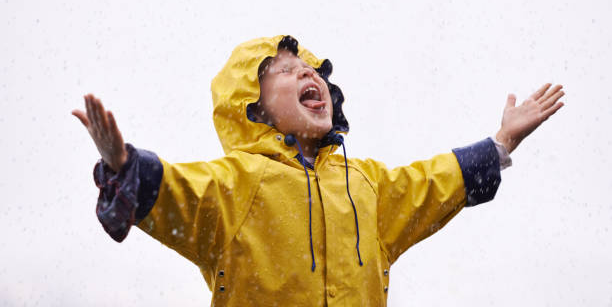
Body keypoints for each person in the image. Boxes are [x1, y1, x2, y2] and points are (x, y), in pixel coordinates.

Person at [72, 35, 564, 306]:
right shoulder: (237, 184)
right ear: (255, 110)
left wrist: (500, 144)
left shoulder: (366, 186)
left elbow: (432, 182)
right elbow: (178, 190)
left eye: (312, 71)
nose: (309, 75)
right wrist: (123, 166)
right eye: (285, 72)